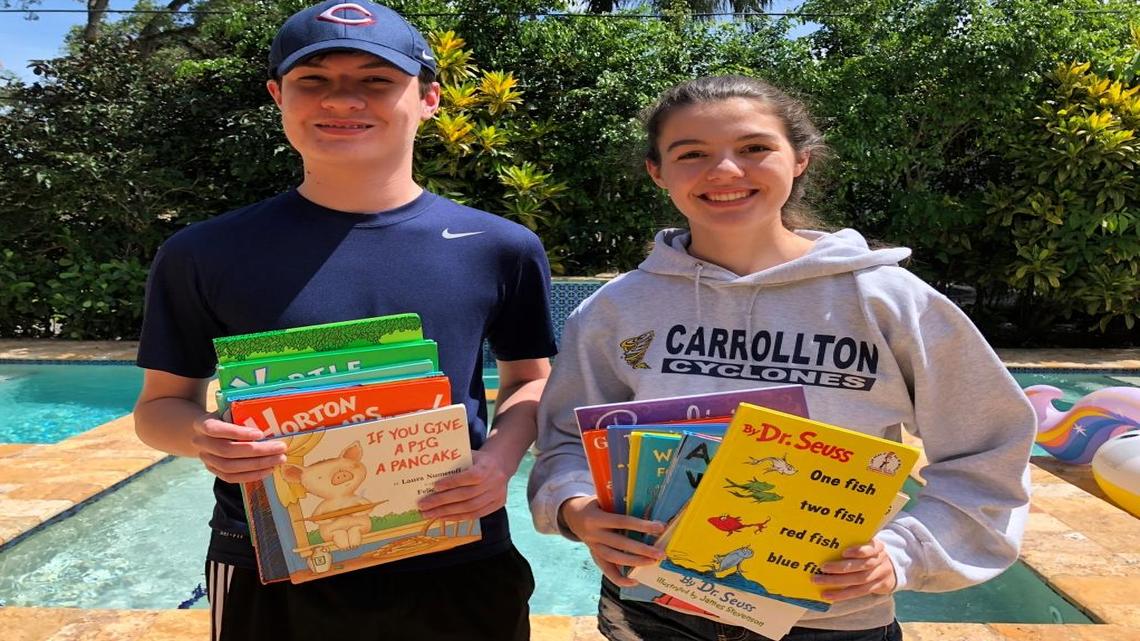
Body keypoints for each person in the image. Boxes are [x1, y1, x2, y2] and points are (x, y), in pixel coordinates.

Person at [527, 75, 1036, 641]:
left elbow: (988, 449)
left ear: (800, 160)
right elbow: (568, 439)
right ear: (658, 172)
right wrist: (576, 508)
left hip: (830, 616)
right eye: (691, 153)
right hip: (654, 608)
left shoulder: (887, 301)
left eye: (754, 149)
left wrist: (904, 552)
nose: (724, 171)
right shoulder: (615, 311)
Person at [132, 2, 556, 639]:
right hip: (271, 560)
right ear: (278, 95)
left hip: (453, 548)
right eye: (314, 81)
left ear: (429, 98)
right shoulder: (204, 252)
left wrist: (498, 460)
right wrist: (204, 439)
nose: (343, 100)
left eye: (376, 81)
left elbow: (530, 378)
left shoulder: (498, 245)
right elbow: (160, 408)